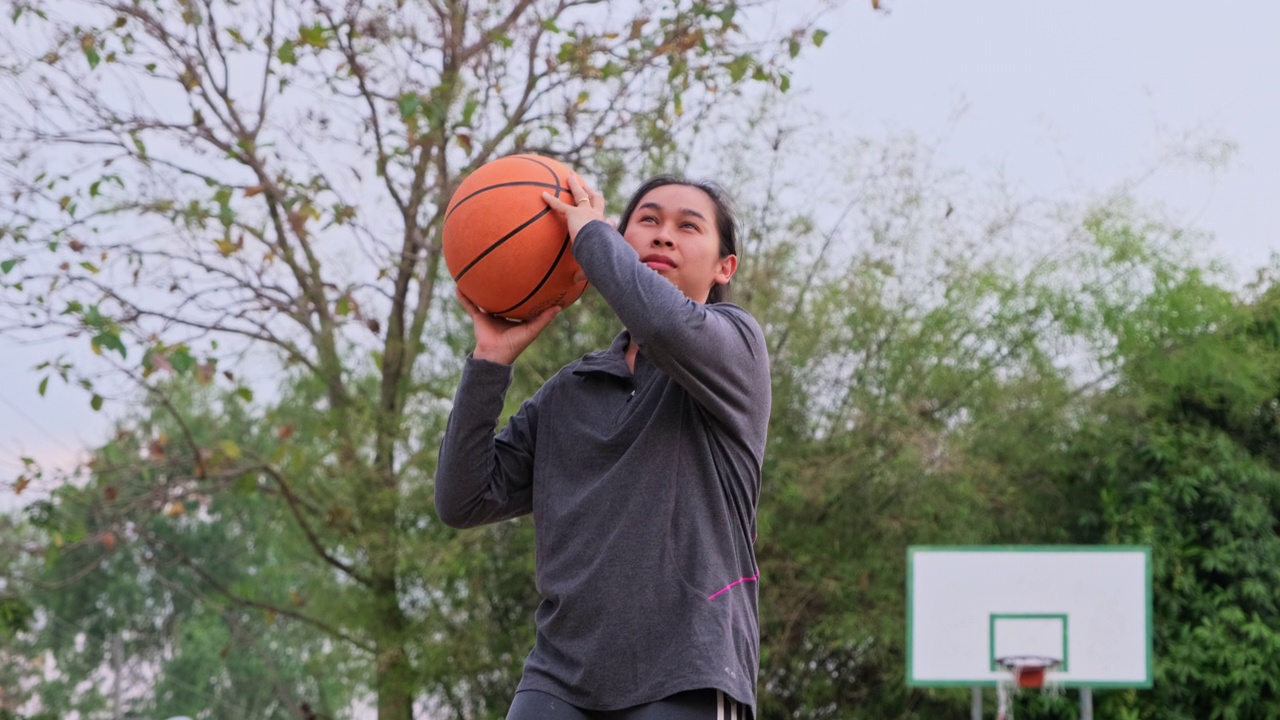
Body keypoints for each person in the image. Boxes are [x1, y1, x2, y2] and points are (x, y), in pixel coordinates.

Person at [435, 172, 771, 720]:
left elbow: (664, 323)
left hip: (685, 671)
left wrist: (589, 235)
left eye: (688, 227)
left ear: (723, 267)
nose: (664, 236)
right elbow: (463, 499)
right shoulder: (572, 390)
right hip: (559, 680)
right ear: (624, 241)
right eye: (648, 220)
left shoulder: (736, 350)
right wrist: (489, 363)